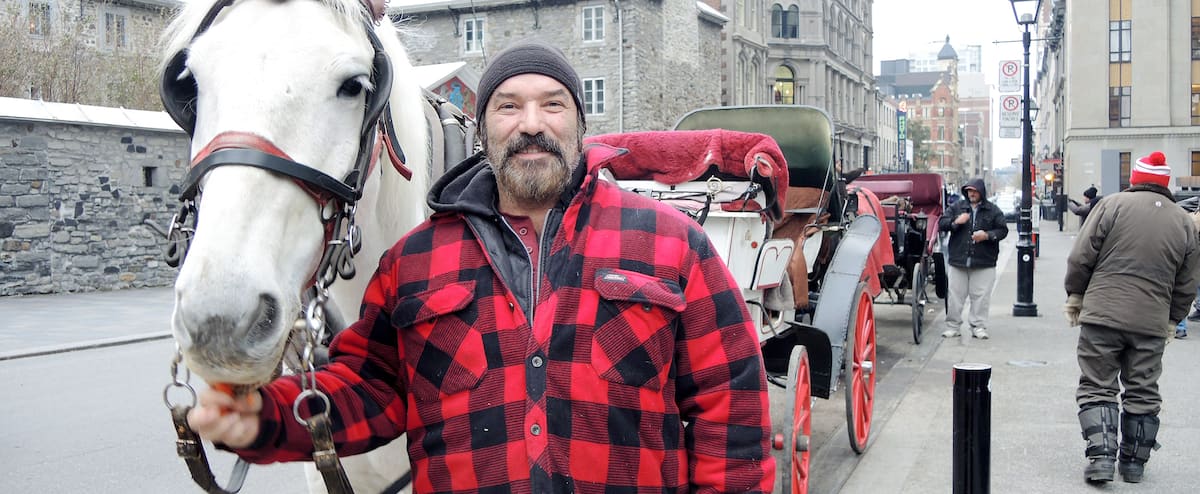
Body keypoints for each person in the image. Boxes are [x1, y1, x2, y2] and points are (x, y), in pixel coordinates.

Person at [185, 39, 775, 492]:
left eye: (552, 104)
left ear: (580, 125)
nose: (531, 123)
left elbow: (731, 409)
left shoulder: (672, 244)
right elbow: (372, 389)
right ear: (482, 130)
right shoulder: (413, 263)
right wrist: (265, 418)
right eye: (508, 107)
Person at [1064, 150, 1200, 484]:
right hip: (1151, 321)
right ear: (1165, 184)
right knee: (1143, 390)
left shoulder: (1111, 205)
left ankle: (1101, 458)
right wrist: (1173, 319)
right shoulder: (1183, 221)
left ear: (1134, 180)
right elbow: (1187, 282)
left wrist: (1076, 294)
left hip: (1103, 314)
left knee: (1097, 385)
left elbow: (1081, 256)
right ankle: (1133, 464)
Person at [938, 178, 1009, 339]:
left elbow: (1003, 230)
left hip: (984, 262)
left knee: (981, 297)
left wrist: (987, 235)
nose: (972, 194)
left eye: (975, 191)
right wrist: (956, 222)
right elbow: (942, 223)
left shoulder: (992, 210)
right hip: (958, 260)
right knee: (955, 296)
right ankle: (953, 326)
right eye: (969, 191)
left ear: (981, 192)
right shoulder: (957, 207)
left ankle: (978, 326)